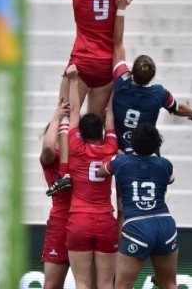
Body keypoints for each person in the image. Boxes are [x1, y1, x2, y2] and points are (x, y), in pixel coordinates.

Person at [111, 0, 192, 153]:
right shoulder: (159, 94)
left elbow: (117, 43)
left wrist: (121, 9)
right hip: (146, 154)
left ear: (131, 70)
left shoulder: (121, 81)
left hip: (121, 152)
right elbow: (177, 109)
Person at [97, 123, 179, 289]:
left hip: (137, 225)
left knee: (123, 286)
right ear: (157, 143)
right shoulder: (165, 164)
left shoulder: (120, 162)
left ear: (132, 142)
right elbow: (170, 179)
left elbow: (101, 171)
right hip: (165, 224)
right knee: (169, 284)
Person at [64, 63, 119, 289]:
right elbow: (111, 119)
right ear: (102, 133)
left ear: (83, 134)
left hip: (79, 220)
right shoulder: (111, 147)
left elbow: (75, 112)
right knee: (106, 284)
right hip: (105, 220)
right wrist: (115, 88)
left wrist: (74, 79)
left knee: (83, 284)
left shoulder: (76, 146)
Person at [39, 101, 72, 289]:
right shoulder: (51, 159)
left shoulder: (81, 154)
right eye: (60, 133)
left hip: (83, 222)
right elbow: (49, 147)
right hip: (60, 225)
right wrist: (56, 118)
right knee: (51, 286)